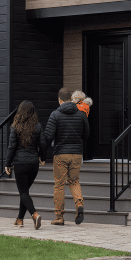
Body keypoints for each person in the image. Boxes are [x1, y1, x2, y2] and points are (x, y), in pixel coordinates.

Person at [41, 87, 89, 225]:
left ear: (60, 100)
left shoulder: (55, 115)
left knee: (59, 185)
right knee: (74, 182)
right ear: (71, 99)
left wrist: (41, 153)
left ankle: (59, 217)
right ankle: (79, 205)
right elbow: (86, 135)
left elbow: (48, 137)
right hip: (76, 154)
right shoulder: (81, 115)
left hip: (61, 154)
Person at [4, 100, 44, 229]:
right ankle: (20, 219)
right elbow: (43, 144)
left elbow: (11, 147)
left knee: (23, 192)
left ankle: (34, 214)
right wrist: (42, 157)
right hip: (33, 164)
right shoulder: (38, 126)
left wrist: (7, 163)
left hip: (20, 164)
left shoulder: (15, 127)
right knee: (24, 192)